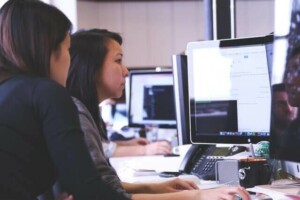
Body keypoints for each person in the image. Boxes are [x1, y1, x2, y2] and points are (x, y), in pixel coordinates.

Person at [66, 28, 251, 200]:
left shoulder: (84, 112)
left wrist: (158, 187)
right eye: (118, 60)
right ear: (91, 67)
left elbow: (108, 187)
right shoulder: (76, 115)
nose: (125, 71)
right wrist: (198, 196)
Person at [0, 0, 132, 199]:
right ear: (50, 51)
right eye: (67, 49)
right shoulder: (47, 93)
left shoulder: (10, 91)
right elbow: (88, 190)